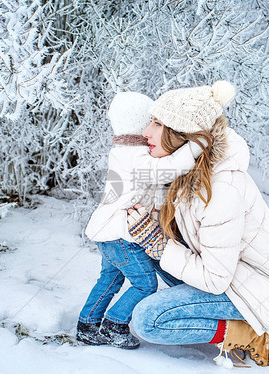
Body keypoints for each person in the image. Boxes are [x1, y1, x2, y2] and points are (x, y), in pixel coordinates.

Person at [126, 81, 269, 367]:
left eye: (157, 124)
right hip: (229, 269)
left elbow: (214, 278)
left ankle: (254, 335)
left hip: (259, 283)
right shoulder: (186, 169)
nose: (146, 132)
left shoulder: (221, 188)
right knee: (150, 256)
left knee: (148, 320)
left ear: (182, 134)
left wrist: (157, 243)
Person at [78, 92, 203, 349]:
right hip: (123, 235)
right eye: (150, 121)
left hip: (108, 233)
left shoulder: (122, 152)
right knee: (145, 284)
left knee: (109, 280)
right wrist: (193, 147)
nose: (150, 128)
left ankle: (87, 325)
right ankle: (114, 325)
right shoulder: (134, 156)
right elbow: (166, 169)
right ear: (138, 123)